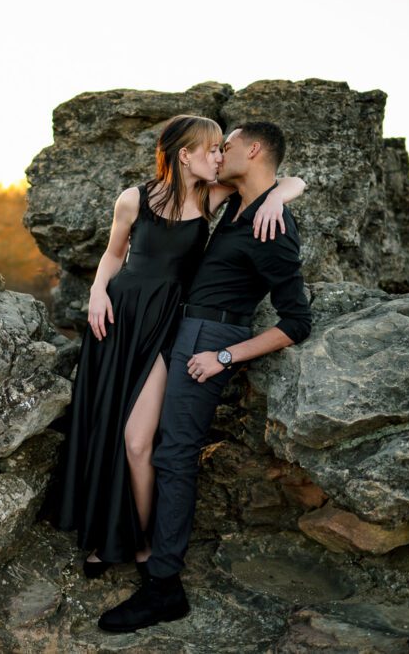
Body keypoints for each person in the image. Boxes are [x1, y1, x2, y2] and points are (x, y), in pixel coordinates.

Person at [53, 115, 305, 579]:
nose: (218, 156)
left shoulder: (214, 196)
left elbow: (288, 178)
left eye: (221, 148)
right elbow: (113, 253)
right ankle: (108, 536)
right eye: (211, 149)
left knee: (137, 440)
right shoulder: (133, 198)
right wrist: (96, 292)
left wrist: (279, 197)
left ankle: (144, 539)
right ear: (184, 154)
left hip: (168, 328)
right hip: (119, 320)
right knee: (106, 427)